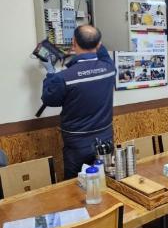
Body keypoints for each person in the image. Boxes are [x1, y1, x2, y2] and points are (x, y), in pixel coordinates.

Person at [41, 25, 116, 179]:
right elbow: (101, 51)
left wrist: (50, 73)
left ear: (74, 42)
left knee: (75, 184)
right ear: (99, 44)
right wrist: (95, 40)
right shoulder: (109, 68)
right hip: (105, 139)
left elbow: (49, 99)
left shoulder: (63, 78)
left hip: (77, 143)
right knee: (105, 180)